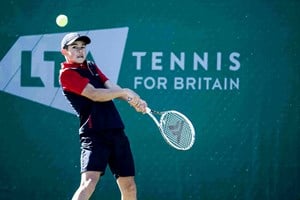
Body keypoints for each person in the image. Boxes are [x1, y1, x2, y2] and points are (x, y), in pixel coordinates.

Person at [59, 32, 147, 200]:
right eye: (74, 48)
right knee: (88, 183)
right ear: (65, 51)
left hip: (116, 131)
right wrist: (124, 92)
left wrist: (134, 99)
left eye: (83, 47)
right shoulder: (67, 74)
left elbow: (112, 88)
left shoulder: (91, 66)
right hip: (94, 134)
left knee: (129, 186)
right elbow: (95, 94)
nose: (80, 51)